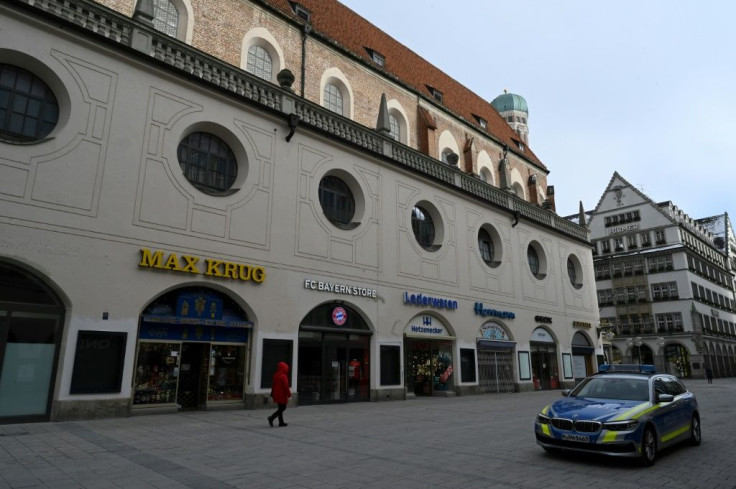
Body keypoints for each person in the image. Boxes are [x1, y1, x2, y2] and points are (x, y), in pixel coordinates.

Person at [268, 362, 291, 427]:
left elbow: (273, 385)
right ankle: (271, 418)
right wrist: (289, 394)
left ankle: (281, 422)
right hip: (282, 394)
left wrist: (272, 393)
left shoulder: (276, 375)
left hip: (276, 394)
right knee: (283, 408)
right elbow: (286, 386)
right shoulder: (284, 376)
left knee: (280, 407)